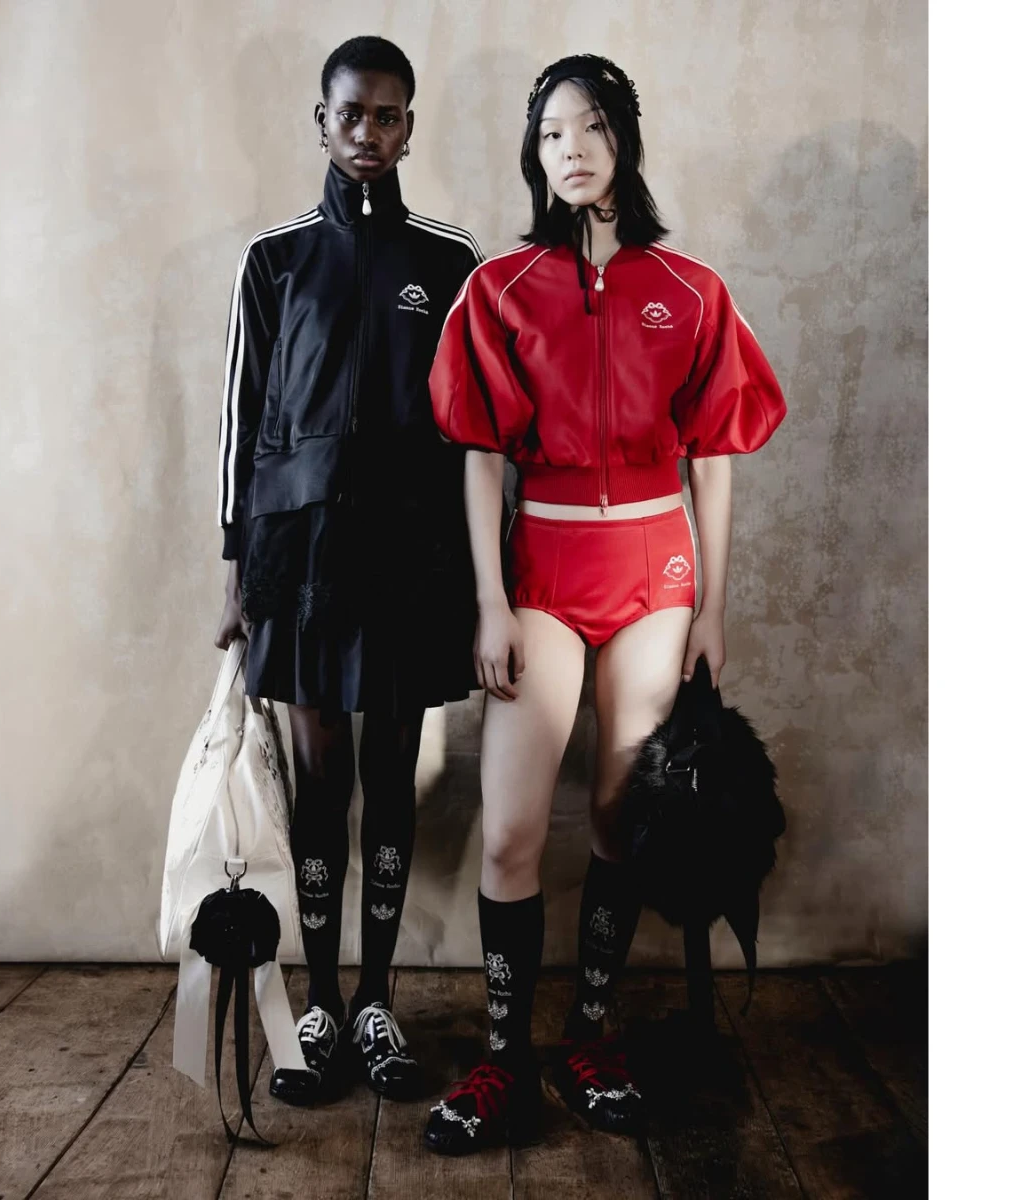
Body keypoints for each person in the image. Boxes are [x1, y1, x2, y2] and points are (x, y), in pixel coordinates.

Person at [422, 53, 787, 1154]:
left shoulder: (692, 290)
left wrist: (711, 608)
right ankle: (504, 1054)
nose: (570, 149)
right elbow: (481, 453)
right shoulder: (499, 287)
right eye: (550, 133)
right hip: (542, 569)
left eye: (589, 127)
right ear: (532, 154)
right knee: (512, 830)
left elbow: (713, 456)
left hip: (655, 575)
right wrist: (490, 601)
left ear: (624, 138)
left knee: (626, 820)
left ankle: (591, 1032)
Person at [213, 35, 482, 1106]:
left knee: (392, 775)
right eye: (351, 114)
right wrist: (236, 566)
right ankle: (321, 1000)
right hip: (303, 552)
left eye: (388, 116)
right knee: (320, 777)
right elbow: (240, 421)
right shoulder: (275, 259)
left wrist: (485, 579)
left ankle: (377, 1001)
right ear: (319, 122)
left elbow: (475, 433)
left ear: (410, 128)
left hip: (413, 554)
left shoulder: (449, 260)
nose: (368, 132)